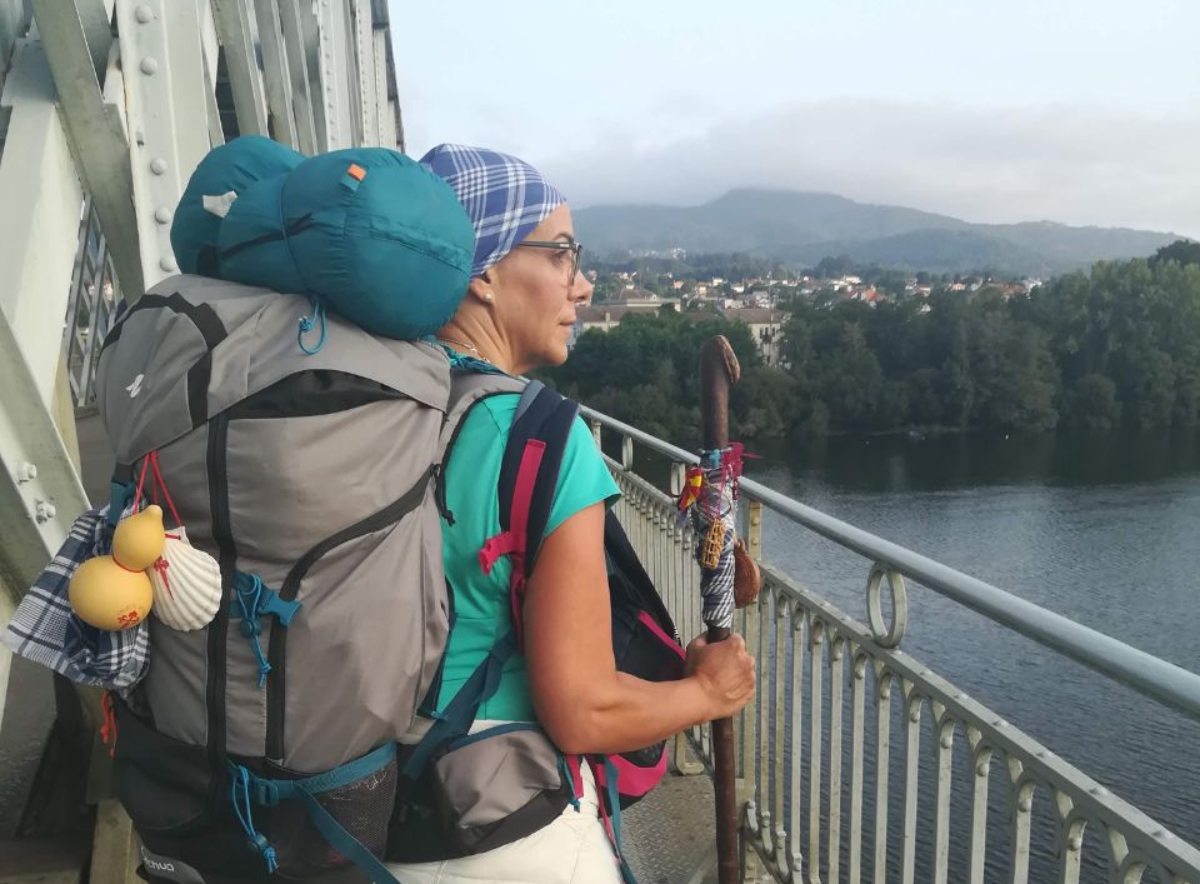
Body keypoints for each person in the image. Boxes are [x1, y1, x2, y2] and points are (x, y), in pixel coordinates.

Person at [385, 145, 757, 883]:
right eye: (560, 254)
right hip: (495, 824)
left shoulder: (382, 397)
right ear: (483, 271)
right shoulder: (541, 434)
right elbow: (582, 711)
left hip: (363, 807)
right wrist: (708, 692)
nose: (583, 285)